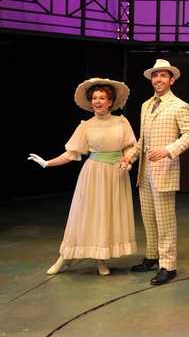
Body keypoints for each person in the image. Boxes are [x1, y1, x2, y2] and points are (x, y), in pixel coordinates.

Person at [28, 78, 137, 276]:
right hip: (94, 174)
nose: (98, 101)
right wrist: (47, 162)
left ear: (110, 101)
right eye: (94, 98)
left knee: (106, 217)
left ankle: (100, 259)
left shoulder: (122, 122)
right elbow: (71, 153)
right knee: (84, 215)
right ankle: (65, 257)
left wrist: (127, 159)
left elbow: (131, 146)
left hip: (115, 174)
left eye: (102, 98)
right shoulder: (86, 126)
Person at [129, 58, 189, 285]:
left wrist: (168, 150)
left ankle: (168, 265)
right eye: (155, 76)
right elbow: (143, 139)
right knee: (148, 217)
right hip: (144, 170)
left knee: (165, 220)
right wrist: (131, 156)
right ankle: (152, 256)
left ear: (172, 79)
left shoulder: (179, 105)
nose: (158, 79)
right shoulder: (146, 105)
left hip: (164, 169)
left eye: (163, 75)